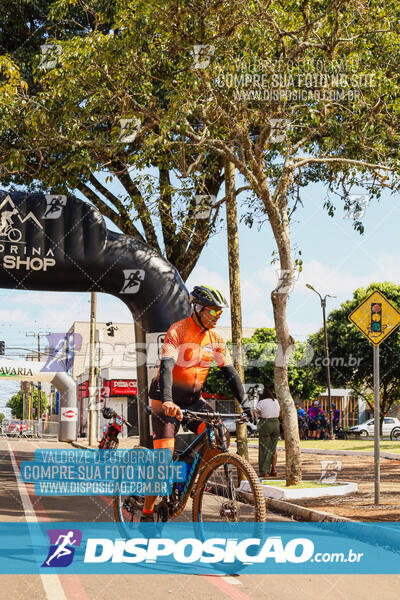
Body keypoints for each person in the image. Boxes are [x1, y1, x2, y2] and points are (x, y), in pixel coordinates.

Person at [142, 285, 254, 522]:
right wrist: (168, 401)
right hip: (165, 399)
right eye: (213, 311)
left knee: (220, 435)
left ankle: (190, 476)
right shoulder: (178, 331)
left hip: (193, 401)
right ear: (198, 308)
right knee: (162, 463)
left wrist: (246, 404)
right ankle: (147, 511)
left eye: (219, 312)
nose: (217, 316)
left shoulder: (215, 340)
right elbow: (167, 368)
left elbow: (230, 373)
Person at [256, 387, 280, 477]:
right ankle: (273, 470)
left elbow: (257, 414)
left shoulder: (261, 402)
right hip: (276, 423)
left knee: (264, 449)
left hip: (266, 423)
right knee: (273, 448)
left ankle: (264, 471)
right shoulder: (276, 401)